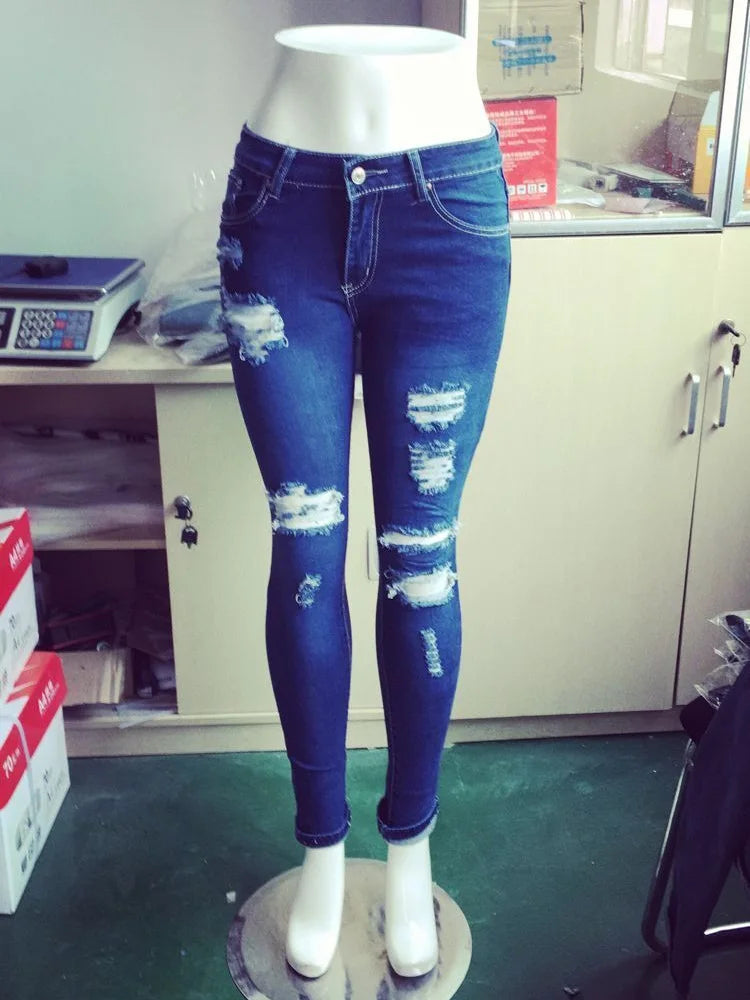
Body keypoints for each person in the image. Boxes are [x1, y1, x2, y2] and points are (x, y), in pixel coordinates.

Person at [217, 22, 511, 980]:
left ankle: (411, 849)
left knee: (421, 566)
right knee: (306, 548)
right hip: (281, 205)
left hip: (448, 211)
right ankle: (322, 853)